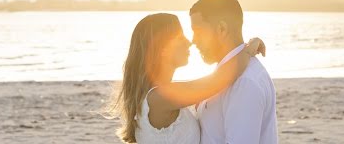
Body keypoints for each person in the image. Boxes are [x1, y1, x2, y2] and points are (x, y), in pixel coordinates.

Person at [112, 12, 266, 143]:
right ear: (162, 49)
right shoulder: (160, 98)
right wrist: (248, 49)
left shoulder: (162, 94)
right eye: (180, 38)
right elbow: (221, 79)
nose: (189, 42)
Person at [191, 0, 278, 144]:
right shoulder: (227, 74)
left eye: (198, 31)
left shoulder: (244, 83)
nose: (193, 40)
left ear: (222, 29)